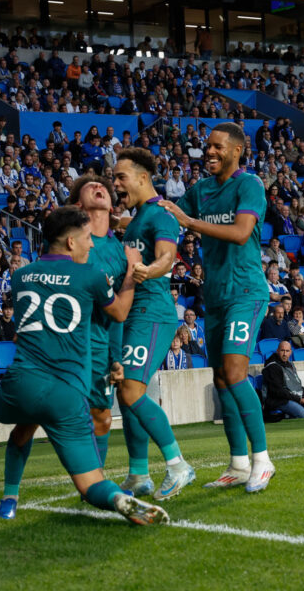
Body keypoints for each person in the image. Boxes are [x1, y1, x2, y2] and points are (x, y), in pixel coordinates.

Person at [0, 206, 169, 526]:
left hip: (22, 383)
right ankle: (118, 498)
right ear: (69, 243)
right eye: (87, 239)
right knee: (90, 483)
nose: (91, 245)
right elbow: (119, 313)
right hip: (67, 394)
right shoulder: (91, 276)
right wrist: (132, 274)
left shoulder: (21, 276)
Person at [159, 122, 274, 492]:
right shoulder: (202, 190)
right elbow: (167, 218)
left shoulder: (249, 185)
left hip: (246, 292)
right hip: (216, 296)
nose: (208, 152)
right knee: (221, 377)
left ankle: (263, 460)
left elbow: (241, 232)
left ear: (236, 150)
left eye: (216, 147)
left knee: (236, 372)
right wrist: (120, 221)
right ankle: (238, 463)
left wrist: (191, 222)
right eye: (206, 146)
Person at [112, 148, 194, 500]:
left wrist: (150, 269)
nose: (115, 184)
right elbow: (123, 225)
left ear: (143, 177)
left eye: (120, 177)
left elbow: (166, 257)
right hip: (133, 312)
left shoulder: (160, 215)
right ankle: (138, 474)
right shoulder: (141, 215)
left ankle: (178, 465)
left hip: (153, 312)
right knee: (127, 391)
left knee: (130, 390)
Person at [262, 341, 304, 419]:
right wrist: (300, 400)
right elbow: (278, 391)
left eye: (287, 351)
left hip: (294, 398)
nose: (284, 354)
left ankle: (292, 417)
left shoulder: (290, 365)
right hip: (279, 401)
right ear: (277, 351)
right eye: (282, 350)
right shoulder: (272, 367)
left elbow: (297, 384)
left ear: (291, 352)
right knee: (302, 414)